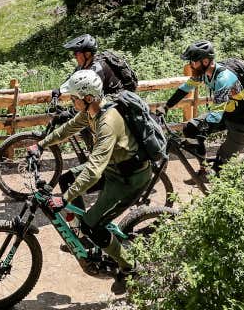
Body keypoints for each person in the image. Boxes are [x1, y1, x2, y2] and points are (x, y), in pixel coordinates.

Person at [27, 69, 151, 273]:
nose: (71, 102)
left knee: (92, 226)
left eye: (74, 98)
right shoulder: (91, 112)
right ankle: (83, 233)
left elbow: (94, 169)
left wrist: (64, 199)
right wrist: (41, 145)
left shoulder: (108, 122)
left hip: (128, 179)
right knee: (67, 179)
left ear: (88, 98)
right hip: (112, 168)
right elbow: (68, 128)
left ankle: (131, 268)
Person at [162, 41, 244, 171]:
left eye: (193, 61)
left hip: (243, 123)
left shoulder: (224, 79)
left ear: (206, 61)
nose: (191, 65)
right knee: (191, 129)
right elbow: (184, 89)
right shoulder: (203, 73)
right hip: (226, 115)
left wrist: (201, 134)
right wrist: (166, 106)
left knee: (221, 164)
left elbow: (216, 114)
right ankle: (204, 167)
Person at [60, 34, 127, 96]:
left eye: (76, 54)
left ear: (87, 54)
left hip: (114, 102)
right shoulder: (83, 66)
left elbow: (82, 92)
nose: (74, 56)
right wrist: (58, 91)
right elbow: (70, 81)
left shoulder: (97, 69)